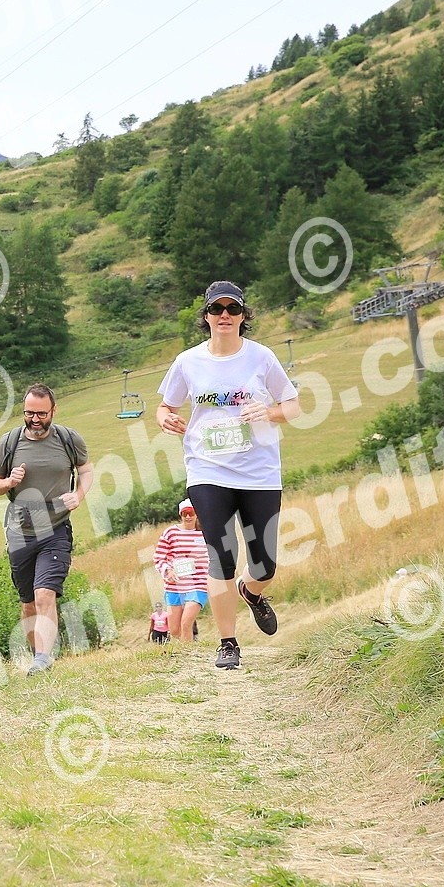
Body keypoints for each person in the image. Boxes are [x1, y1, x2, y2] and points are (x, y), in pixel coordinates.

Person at [157, 281, 301, 671]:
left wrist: (268, 413)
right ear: (205, 316)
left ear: (242, 316)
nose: (224, 315)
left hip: (259, 473)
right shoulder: (188, 361)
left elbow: (293, 406)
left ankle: (250, 592)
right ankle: (228, 643)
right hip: (207, 469)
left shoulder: (262, 357)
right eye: (216, 309)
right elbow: (166, 405)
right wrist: (165, 418)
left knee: (264, 565)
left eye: (232, 309)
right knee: (222, 555)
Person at [0, 383, 91, 675]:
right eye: (29, 413)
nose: (35, 419)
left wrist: (79, 495)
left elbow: (86, 469)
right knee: (28, 603)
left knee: (45, 593)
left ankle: (43, 658)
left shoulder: (69, 439)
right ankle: (38, 658)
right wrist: (9, 482)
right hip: (20, 531)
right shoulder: (9, 442)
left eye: (41, 414)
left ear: (53, 411)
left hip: (56, 529)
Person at [153, 499, 209, 645]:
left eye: (191, 513)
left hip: (198, 584)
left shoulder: (205, 533)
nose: (188, 517)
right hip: (175, 586)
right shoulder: (170, 533)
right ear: (180, 515)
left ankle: (188, 653)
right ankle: (188, 646)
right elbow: (158, 557)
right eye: (184, 514)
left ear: (197, 514)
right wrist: (168, 571)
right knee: (175, 630)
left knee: (186, 622)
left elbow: (215, 555)